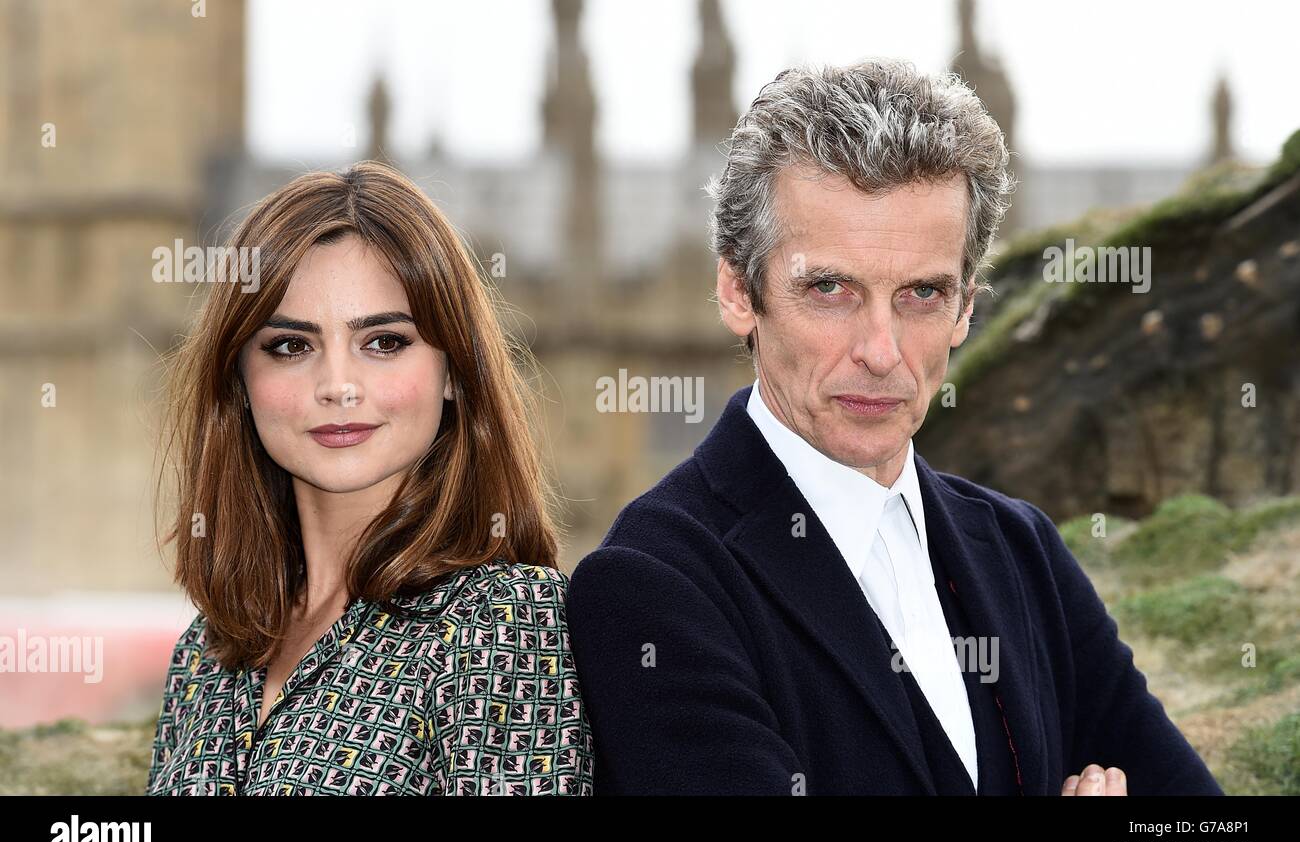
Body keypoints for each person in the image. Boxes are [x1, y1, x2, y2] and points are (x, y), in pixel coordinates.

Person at [564, 59, 1223, 796]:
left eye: (921, 293)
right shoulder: (654, 585)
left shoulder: (1019, 550)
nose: (881, 353)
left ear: (966, 308)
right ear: (738, 292)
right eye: (831, 288)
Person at [147, 161, 593, 795]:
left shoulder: (498, 621)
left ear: (453, 372)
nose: (338, 387)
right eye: (290, 346)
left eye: (383, 341)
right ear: (239, 382)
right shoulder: (207, 652)